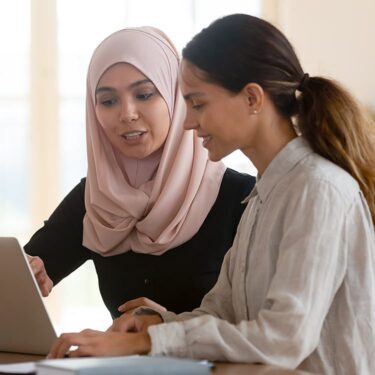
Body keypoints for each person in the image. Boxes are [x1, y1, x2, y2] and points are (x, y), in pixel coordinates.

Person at [47, 14, 375, 375]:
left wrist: (146, 343)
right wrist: (159, 324)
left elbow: (284, 339)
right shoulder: (264, 196)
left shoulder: (318, 190)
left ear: (252, 98)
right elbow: (221, 313)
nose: (187, 121)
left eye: (198, 103)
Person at [25, 26, 255, 319]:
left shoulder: (243, 199)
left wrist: (167, 329)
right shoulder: (96, 198)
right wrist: (30, 272)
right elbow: (27, 269)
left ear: (177, 97)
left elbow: (263, 325)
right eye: (108, 101)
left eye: (144, 94)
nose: (127, 113)